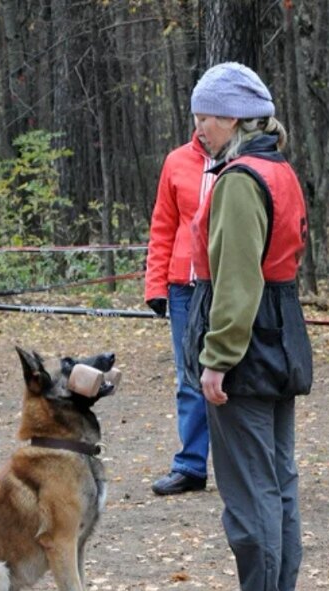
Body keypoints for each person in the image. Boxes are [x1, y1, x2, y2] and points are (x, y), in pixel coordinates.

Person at [181, 62, 313, 591]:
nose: (198, 128)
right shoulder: (277, 169)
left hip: (248, 349)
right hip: (280, 339)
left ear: (232, 116)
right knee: (278, 486)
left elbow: (236, 282)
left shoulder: (239, 179)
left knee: (251, 492)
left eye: (204, 116)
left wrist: (217, 358)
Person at [144, 128, 216, 496]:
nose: (205, 124)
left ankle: (237, 464)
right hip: (183, 289)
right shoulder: (176, 161)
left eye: (211, 115)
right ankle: (190, 464)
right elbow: (163, 226)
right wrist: (155, 284)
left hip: (223, 285)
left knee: (229, 375)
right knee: (189, 377)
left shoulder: (240, 161)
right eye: (199, 116)